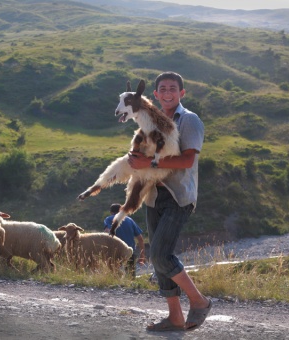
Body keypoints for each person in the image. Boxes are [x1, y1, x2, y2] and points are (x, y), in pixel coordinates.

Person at [128, 72, 211, 332]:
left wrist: (149, 162)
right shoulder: (149, 121)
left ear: (181, 93)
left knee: (161, 254)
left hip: (178, 196)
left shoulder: (189, 120)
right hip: (153, 195)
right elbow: (143, 153)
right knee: (157, 257)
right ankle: (175, 317)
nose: (167, 92)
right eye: (162, 88)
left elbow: (187, 160)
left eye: (172, 88)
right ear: (154, 94)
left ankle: (199, 301)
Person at [103, 203, 145, 278]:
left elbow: (107, 232)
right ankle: (131, 288)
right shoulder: (130, 220)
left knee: (114, 275)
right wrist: (142, 255)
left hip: (115, 251)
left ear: (111, 212)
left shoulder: (109, 219)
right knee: (131, 276)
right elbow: (140, 238)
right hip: (130, 251)